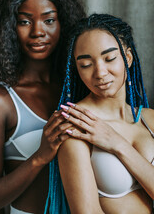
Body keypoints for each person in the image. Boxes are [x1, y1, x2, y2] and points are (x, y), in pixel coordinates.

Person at [0, 0, 86, 213]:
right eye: (25, 22)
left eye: (49, 20)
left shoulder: (83, 88)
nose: (37, 32)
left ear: (63, 22)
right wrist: (39, 157)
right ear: (9, 27)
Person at [57, 13, 154, 213]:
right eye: (86, 64)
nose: (100, 72)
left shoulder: (150, 119)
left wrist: (117, 144)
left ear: (127, 58)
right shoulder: (77, 125)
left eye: (109, 58)